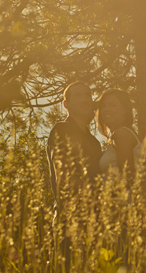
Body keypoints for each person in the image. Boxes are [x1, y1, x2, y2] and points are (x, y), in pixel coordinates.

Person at [47, 81, 103, 214]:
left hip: (96, 218)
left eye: (87, 95)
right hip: (70, 216)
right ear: (66, 104)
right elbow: (64, 176)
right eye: (77, 96)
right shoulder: (62, 129)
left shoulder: (95, 142)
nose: (84, 100)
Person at [96, 88, 143, 177]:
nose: (106, 109)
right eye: (103, 106)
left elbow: (127, 176)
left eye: (112, 105)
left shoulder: (122, 133)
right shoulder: (119, 134)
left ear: (124, 110)